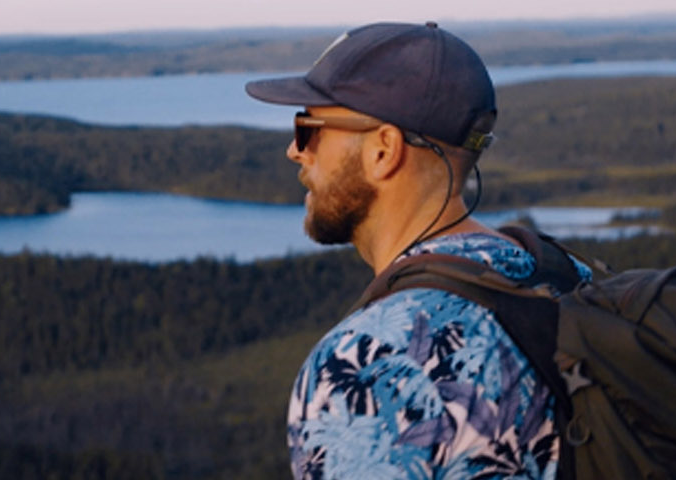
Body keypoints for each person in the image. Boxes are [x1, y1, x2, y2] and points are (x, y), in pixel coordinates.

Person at [245, 22, 589, 479]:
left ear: (384, 150)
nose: (295, 151)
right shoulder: (569, 276)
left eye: (308, 128)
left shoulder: (368, 363)